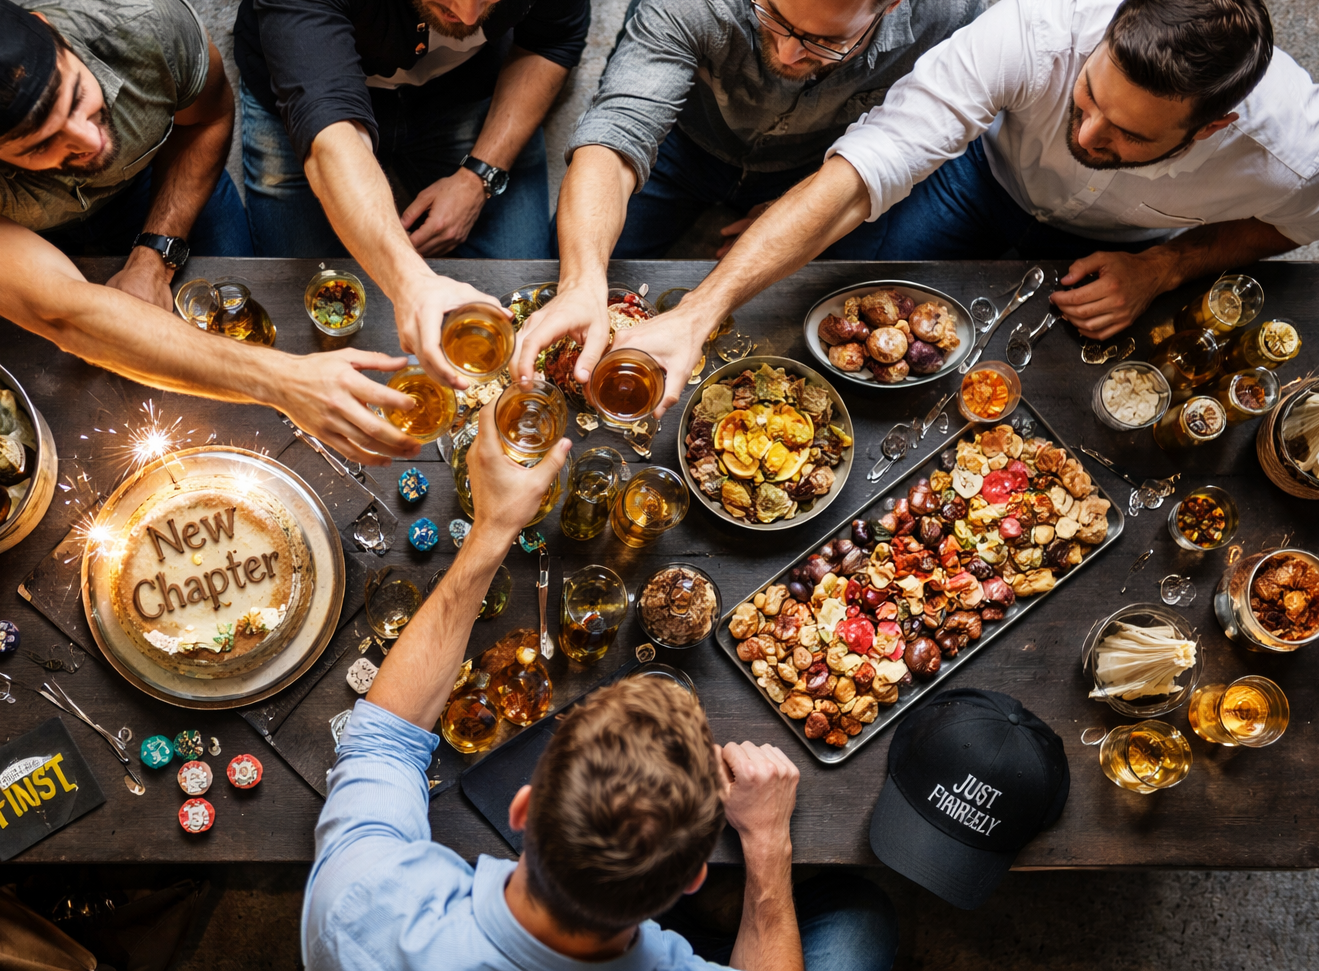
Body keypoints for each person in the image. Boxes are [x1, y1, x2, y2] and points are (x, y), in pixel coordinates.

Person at [540, 0, 1319, 411]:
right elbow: (873, 162)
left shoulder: (1301, 153)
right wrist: (702, 310)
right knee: (822, 324)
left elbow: (1296, 226)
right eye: (1087, 97)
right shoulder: (1046, 21)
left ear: (1212, 130)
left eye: (1129, 136)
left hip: (1118, 249)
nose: (1087, 136)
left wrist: (1165, 267)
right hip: (977, 180)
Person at [302, 402, 898, 970]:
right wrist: (767, 844)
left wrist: (493, 526)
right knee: (863, 920)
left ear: (523, 807)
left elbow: (384, 741)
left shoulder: (356, 909)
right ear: (692, 879)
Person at [0, 0, 421, 465]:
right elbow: (65, 313)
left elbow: (209, 116)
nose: (89, 141)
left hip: (148, 186)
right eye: (39, 143)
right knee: (34, 403)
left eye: (77, 98)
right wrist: (285, 382)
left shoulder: (140, 18)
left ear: (52, 32)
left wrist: (155, 255)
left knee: (236, 329)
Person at [518, 0, 982, 385]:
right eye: (772, 13)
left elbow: (890, 157)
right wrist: (580, 281)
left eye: (827, 41)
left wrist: (796, 206)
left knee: (829, 318)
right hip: (684, 142)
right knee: (556, 274)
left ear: (896, 2)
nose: (786, 52)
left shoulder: (951, 4)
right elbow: (620, 128)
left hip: (818, 164)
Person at [235, 0, 594, 388]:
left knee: (520, 305)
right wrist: (410, 283)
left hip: (459, 90)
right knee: (306, 326)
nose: (467, 16)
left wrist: (480, 176)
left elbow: (550, 42)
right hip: (307, 94)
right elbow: (331, 135)